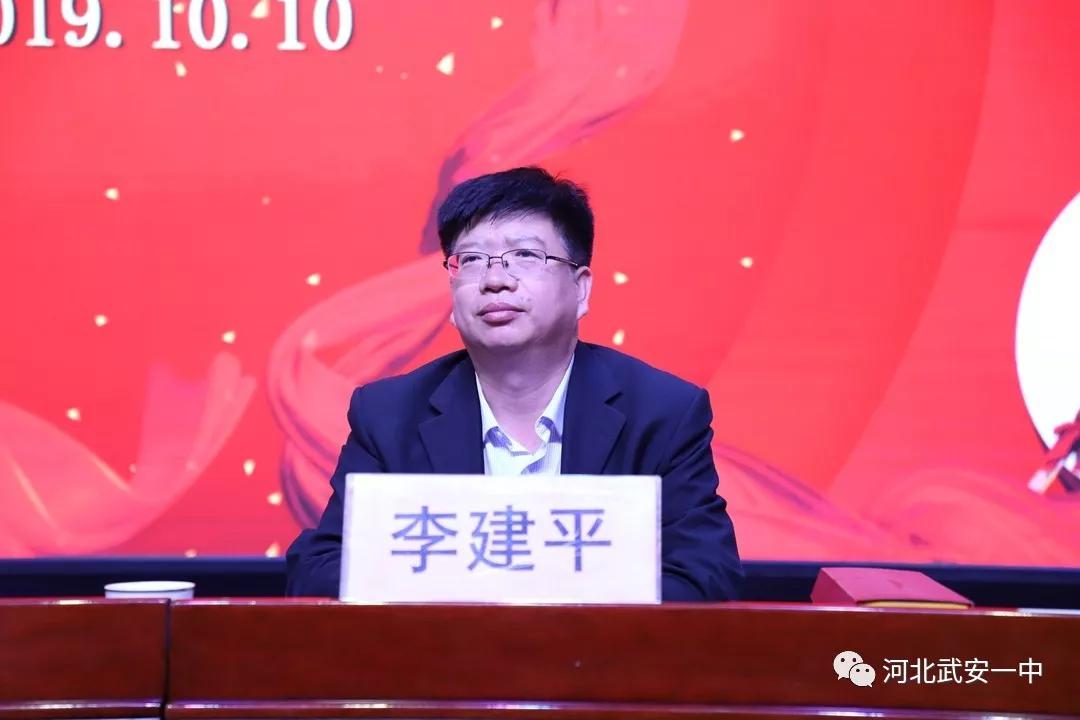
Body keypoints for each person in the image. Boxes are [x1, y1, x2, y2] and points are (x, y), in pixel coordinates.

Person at [285, 167, 742, 600]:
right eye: (472, 260)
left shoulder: (662, 412)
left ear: (581, 288)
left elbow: (704, 577)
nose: (495, 280)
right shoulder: (388, 414)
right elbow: (318, 569)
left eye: (525, 256)